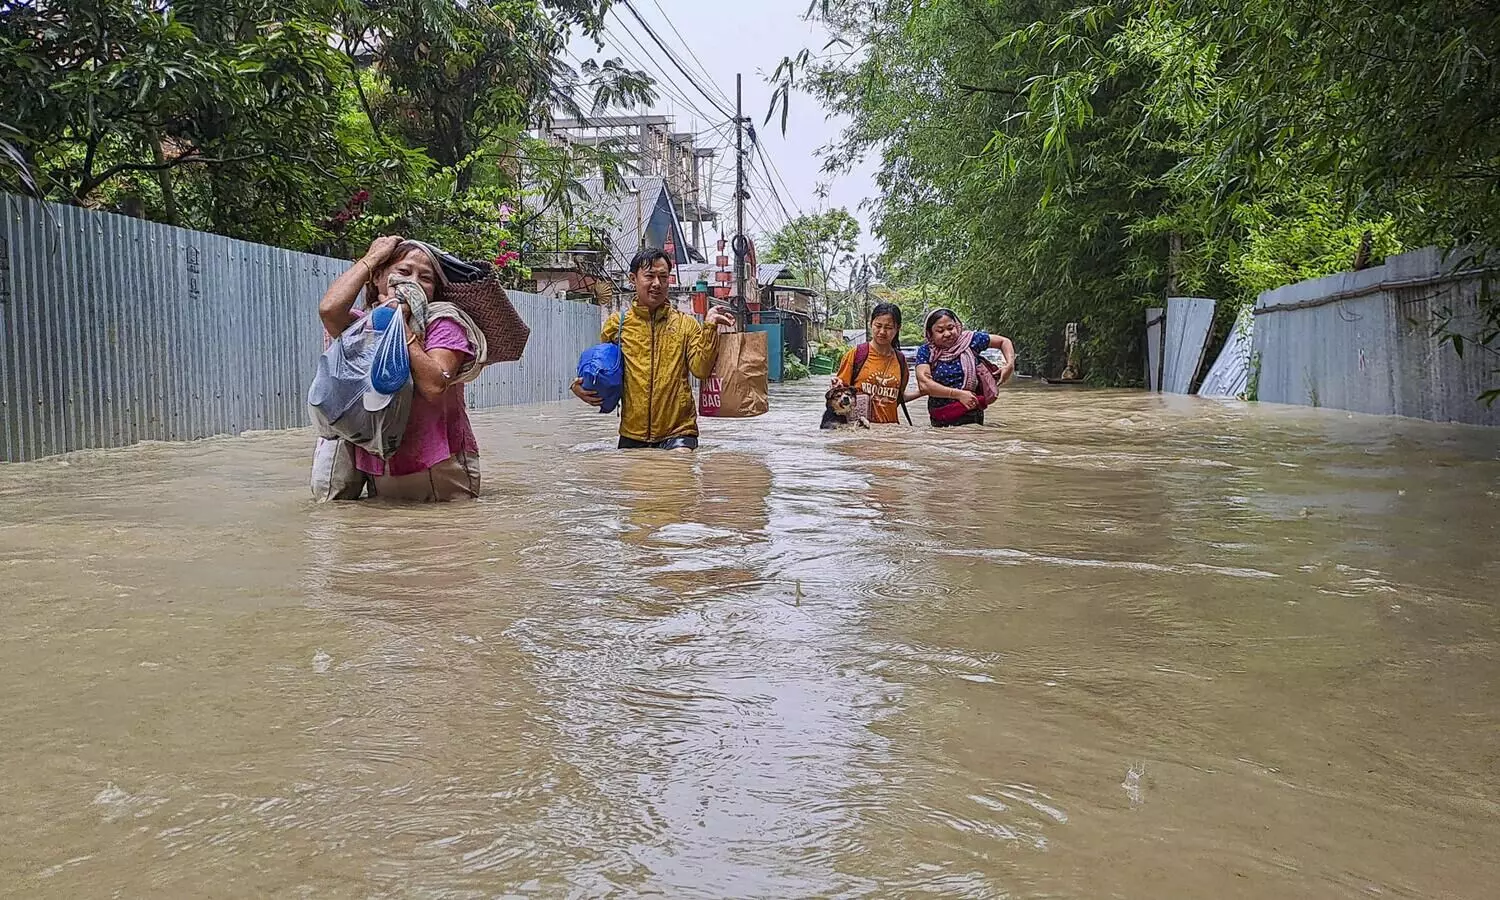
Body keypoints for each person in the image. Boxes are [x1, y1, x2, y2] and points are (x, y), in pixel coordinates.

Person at [318, 235, 481, 500]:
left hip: (438, 466)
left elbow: (434, 385)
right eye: (403, 272)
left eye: (425, 278)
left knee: (446, 537)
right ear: (379, 278)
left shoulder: (444, 323)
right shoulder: (363, 325)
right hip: (380, 462)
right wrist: (372, 258)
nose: (412, 283)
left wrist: (401, 326)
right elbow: (329, 310)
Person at [571, 249, 736, 449]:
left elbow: (701, 370)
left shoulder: (687, 325)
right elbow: (606, 370)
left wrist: (709, 327)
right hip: (632, 433)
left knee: (680, 467)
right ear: (633, 278)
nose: (657, 284)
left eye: (663, 277)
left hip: (679, 432)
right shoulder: (617, 325)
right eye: (650, 276)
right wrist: (582, 387)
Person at [914, 308, 1016, 428]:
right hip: (941, 414)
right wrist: (958, 394)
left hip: (971, 409)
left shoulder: (971, 341)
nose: (947, 334)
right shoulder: (926, 351)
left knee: (972, 442)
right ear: (930, 334)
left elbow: (1004, 341)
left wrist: (1009, 364)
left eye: (951, 328)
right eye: (940, 331)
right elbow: (924, 385)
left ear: (957, 326)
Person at [831, 302, 918, 424]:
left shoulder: (900, 360)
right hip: (859, 430)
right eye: (878, 326)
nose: (882, 331)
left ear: (898, 328)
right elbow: (839, 396)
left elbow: (897, 399)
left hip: (890, 431)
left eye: (888, 327)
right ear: (871, 324)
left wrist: (923, 391)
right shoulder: (856, 354)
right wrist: (836, 385)